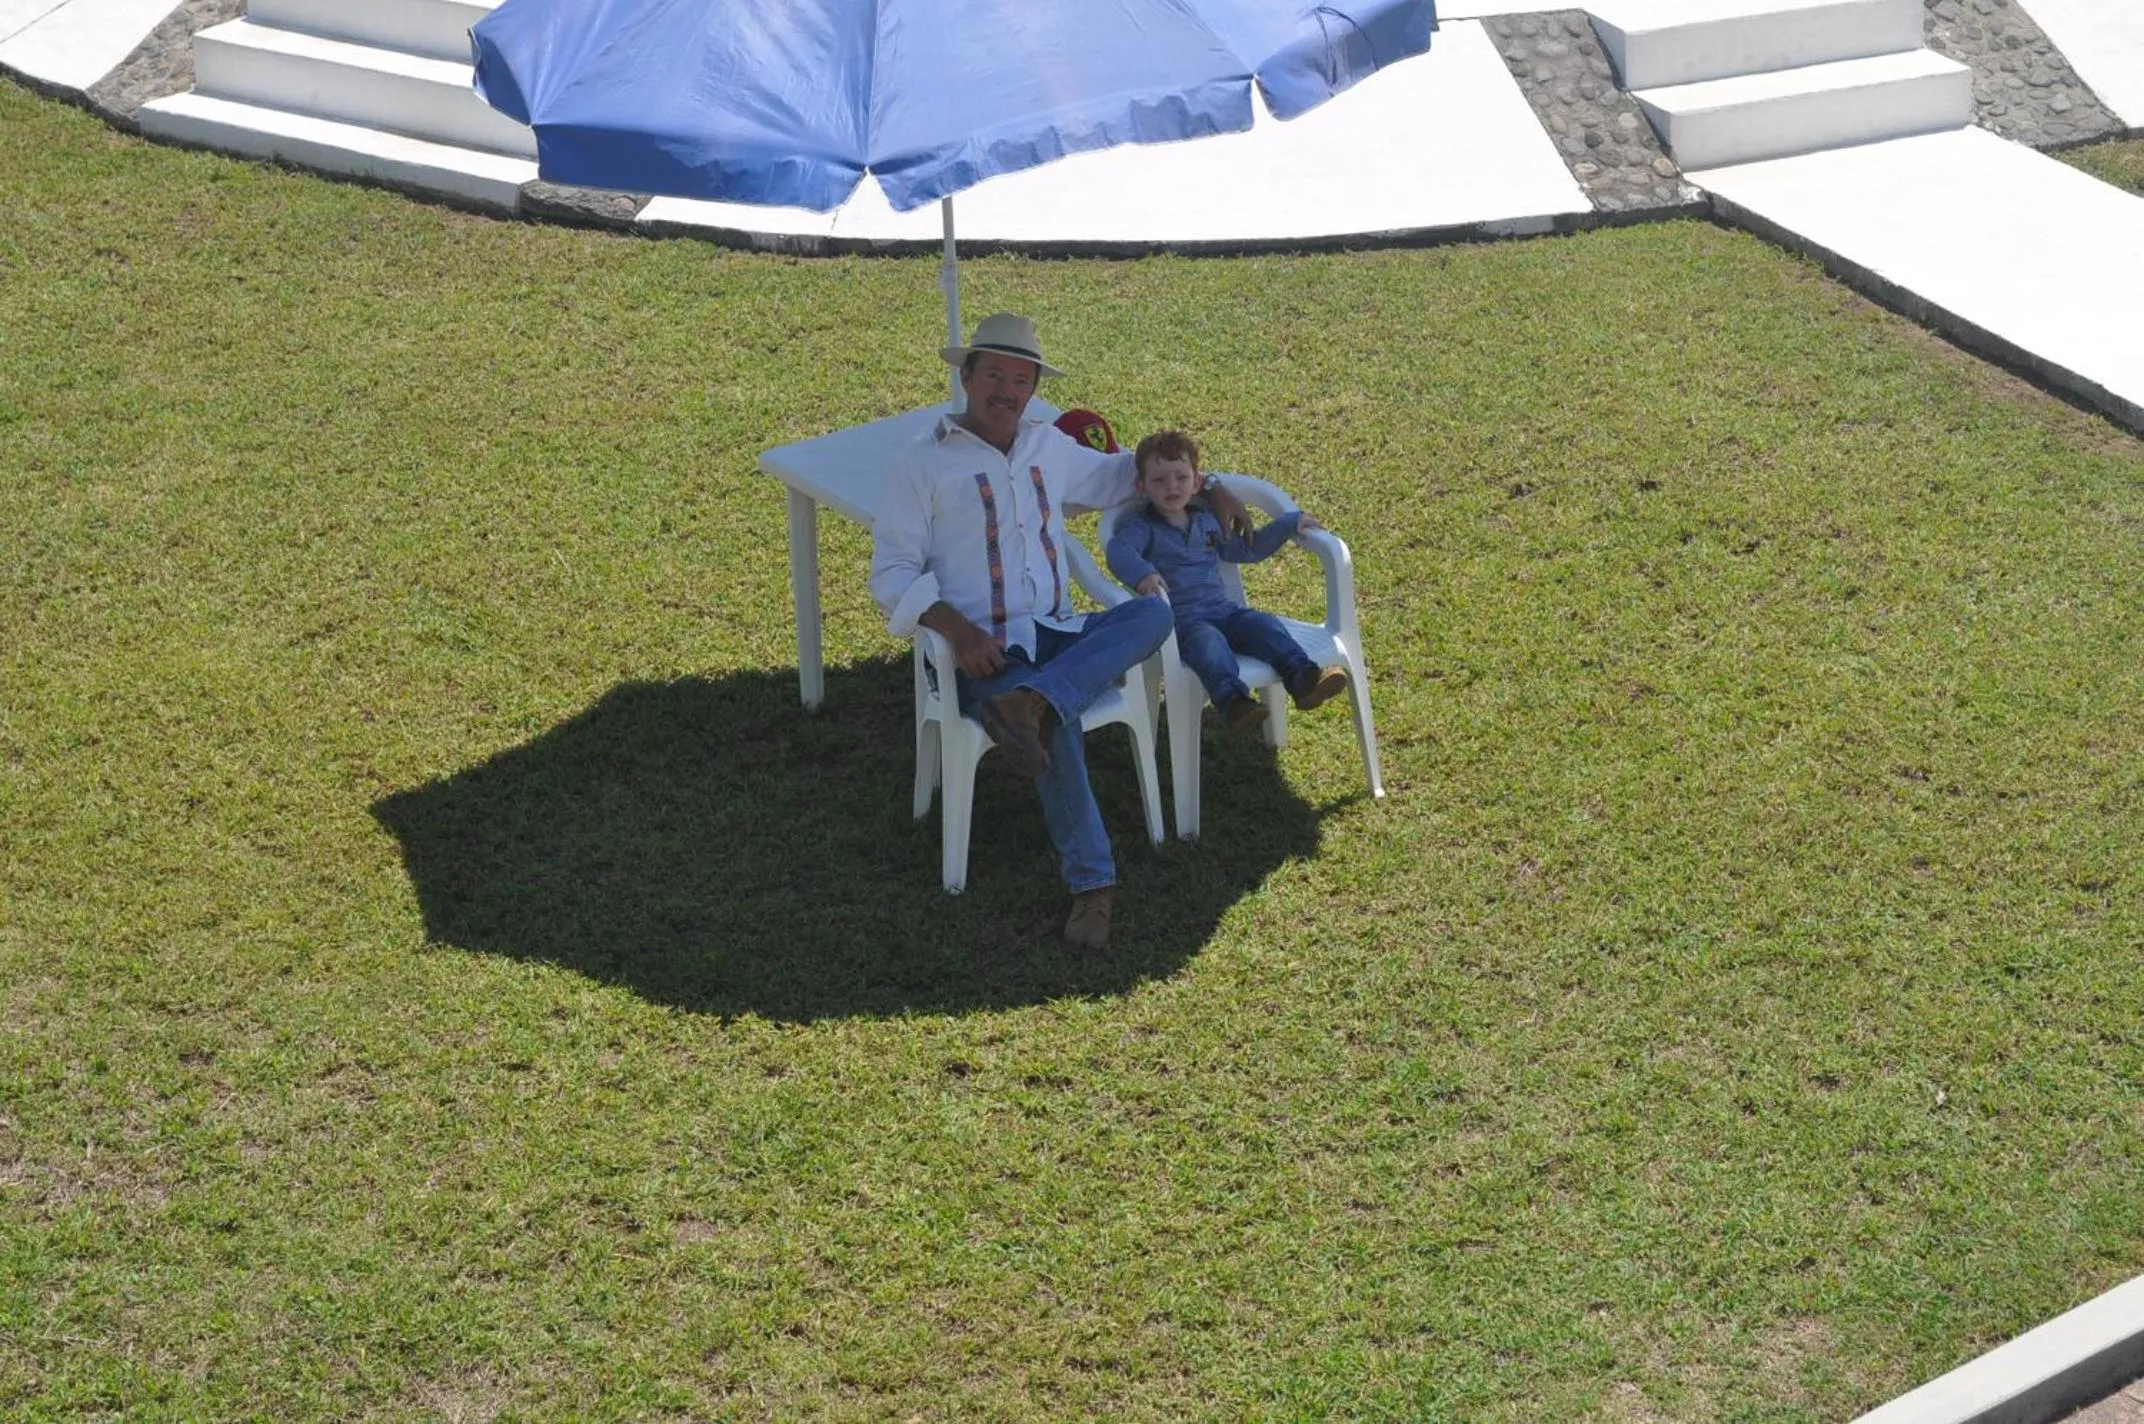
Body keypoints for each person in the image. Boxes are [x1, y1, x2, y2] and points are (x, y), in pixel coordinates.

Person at [868, 315, 1252, 950]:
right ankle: (1092, 886)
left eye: (1022, 380)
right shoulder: (922, 463)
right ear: (966, 377)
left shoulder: (1050, 447)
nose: (1007, 391)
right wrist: (958, 633)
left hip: (1057, 631)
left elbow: (1137, 472)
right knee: (1058, 727)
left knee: (1154, 612)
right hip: (983, 653)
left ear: (1034, 387)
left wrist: (1213, 485)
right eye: (994, 375)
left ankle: (1034, 704)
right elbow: (891, 571)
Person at [1106, 429, 1348, 737]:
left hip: (1224, 611)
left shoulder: (1206, 521)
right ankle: (1234, 702)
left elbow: (1247, 548)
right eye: (1159, 480)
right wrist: (1144, 575)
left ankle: (1303, 677)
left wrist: (1288, 523)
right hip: (1183, 623)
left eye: (1181, 477)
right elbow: (1119, 550)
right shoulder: (1142, 527)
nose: (1171, 487)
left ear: (1196, 482)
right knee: (1210, 645)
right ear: (1142, 487)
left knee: (1263, 624)